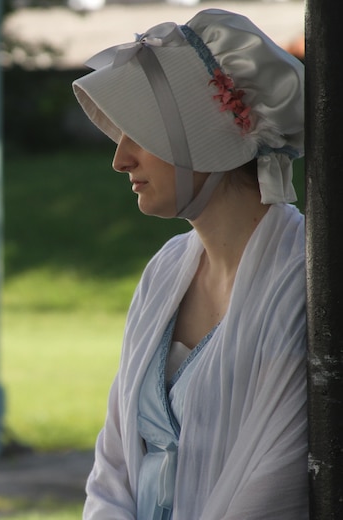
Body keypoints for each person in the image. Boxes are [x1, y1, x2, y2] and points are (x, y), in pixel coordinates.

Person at [71, 9, 307, 519]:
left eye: (142, 135)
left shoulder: (305, 279)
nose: (121, 159)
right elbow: (112, 463)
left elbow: (275, 483)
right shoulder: (165, 270)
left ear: (208, 141)